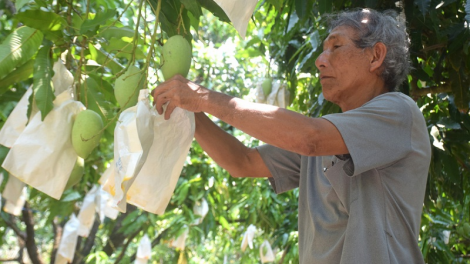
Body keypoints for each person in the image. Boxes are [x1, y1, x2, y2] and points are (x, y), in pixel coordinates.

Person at [152, 8, 431, 264]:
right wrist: (189, 109)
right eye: (322, 51)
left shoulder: (398, 112)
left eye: (336, 47)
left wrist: (204, 98)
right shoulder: (324, 135)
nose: (320, 61)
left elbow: (310, 138)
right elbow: (242, 162)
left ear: (376, 56)